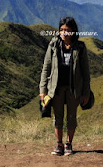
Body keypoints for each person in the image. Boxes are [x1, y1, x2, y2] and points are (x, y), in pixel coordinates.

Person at [39, 17, 91, 156]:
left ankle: (69, 144)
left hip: (74, 89)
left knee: (72, 117)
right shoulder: (54, 45)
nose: (64, 32)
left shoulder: (80, 47)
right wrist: (42, 91)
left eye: (67, 30)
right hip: (56, 88)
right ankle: (59, 144)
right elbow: (46, 68)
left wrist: (86, 92)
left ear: (73, 31)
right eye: (61, 29)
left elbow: (86, 72)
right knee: (58, 117)